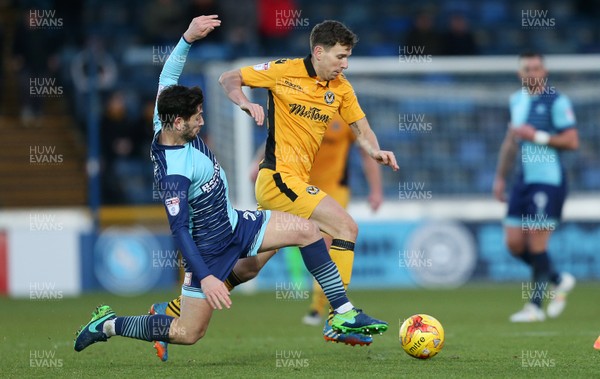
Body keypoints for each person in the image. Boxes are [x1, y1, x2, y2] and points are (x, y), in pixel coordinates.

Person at [74, 15, 387, 356]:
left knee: (302, 235)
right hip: (208, 248)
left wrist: (187, 38)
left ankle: (342, 312)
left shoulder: (164, 116)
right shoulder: (174, 174)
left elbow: (167, 76)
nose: (203, 120)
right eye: (198, 118)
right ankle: (108, 324)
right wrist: (206, 277)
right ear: (179, 123)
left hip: (237, 223)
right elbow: (179, 231)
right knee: (187, 333)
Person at [218, 19, 398, 346]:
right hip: (277, 179)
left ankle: (177, 308)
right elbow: (228, 78)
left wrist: (374, 150)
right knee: (345, 227)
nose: (344, 65)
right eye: (340, 57)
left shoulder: (341, 87)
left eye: (347, 58)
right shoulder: (283, 70)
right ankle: (341, 315)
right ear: (318, 51)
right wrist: (244, 101)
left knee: (250, 266)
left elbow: (362, 128)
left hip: (292, 184)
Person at [493, 52, 578, 323]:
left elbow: (572, 140)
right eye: (527, 69)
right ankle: (558, 278)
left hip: (548, 180)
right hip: (523, 180)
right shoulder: (516, 101)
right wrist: (500, 177)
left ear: (545, 71)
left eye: (537, 68)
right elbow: (510, 142)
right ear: (520, 74)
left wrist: (538, 136)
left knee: (537, 243)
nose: (532, 73)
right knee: (514, 244)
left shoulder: (557, 101)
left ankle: (535, 307)